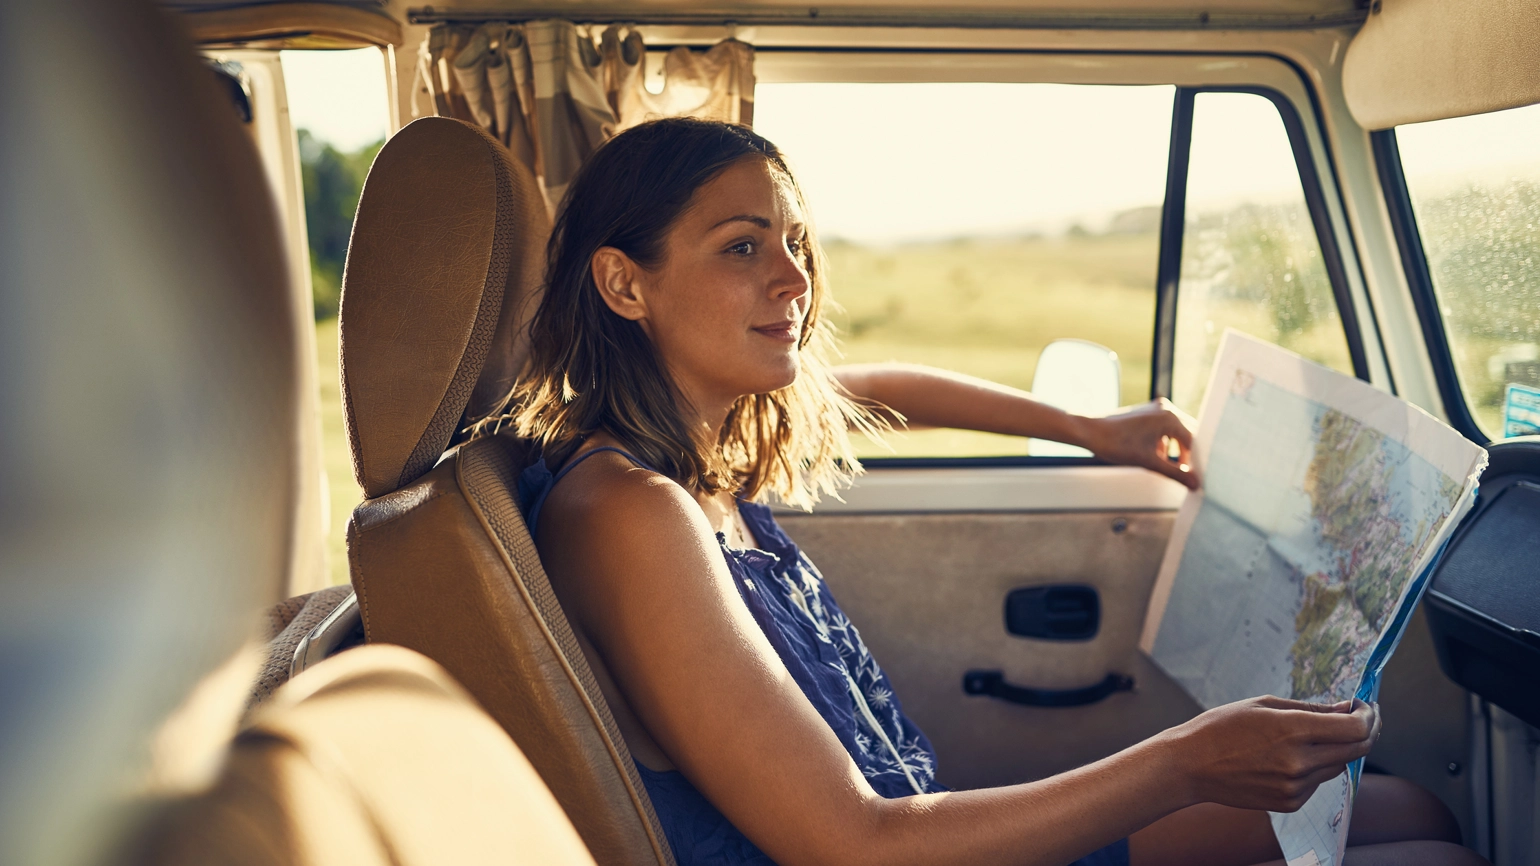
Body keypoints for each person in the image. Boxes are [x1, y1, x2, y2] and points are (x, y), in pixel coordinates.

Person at [485, 117, 1482, 866]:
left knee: (1411, 815)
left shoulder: (694, 455)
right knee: (1420, 847)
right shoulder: (627, 510)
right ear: (624, 284)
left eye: (793, 242)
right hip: (890, 847)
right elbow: (854, 841)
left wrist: (1090, 430)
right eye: (742, 245)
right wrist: (1183, 760)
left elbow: (879, 390)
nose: (793, 279)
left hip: (920, 821)